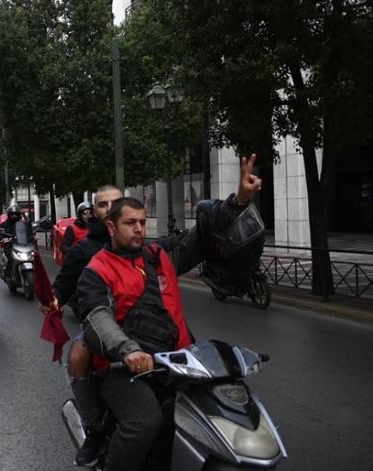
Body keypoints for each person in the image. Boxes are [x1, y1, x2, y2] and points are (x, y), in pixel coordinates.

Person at [76, 154, 264, 471]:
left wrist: (240, 200)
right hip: (125, 369)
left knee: (223, 412)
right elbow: (97, 318)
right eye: (130, 223)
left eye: (142, 222)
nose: (139, 229)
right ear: (110, 226)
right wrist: (128, 351)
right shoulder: (97, 270)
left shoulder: (159, 255)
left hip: (180, 363)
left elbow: (202, 237)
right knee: (145, 422)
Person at [41, 184, 123, 466]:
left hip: (145, 328)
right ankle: (94, 428)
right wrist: (51, 300)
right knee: (77, 355)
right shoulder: (83, 251)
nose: (109, 209)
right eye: (102, 205)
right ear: (94, 212)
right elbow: (61, 288)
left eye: (116, 203)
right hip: (101, 329)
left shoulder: (145, 248)